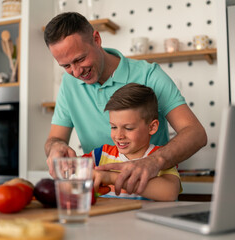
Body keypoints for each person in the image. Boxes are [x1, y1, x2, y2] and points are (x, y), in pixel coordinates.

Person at [44, 12, 207, 195]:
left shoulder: (149, 75)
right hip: (101, 201)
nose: (75, 72)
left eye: (80, 59)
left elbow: (196, 133)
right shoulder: (69, 83)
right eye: (66, 66)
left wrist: (155, 161)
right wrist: (55, 148)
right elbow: (54, 139)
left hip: (149, 201)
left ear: (96, 39)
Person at [84, 83, 181, 201]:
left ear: (152, 127)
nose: (119, 136)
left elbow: (169, 193)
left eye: (128, 128)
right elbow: (72, 170)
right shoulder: (100, 154)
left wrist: (112, 178)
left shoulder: (161, 158)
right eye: (114, 127)